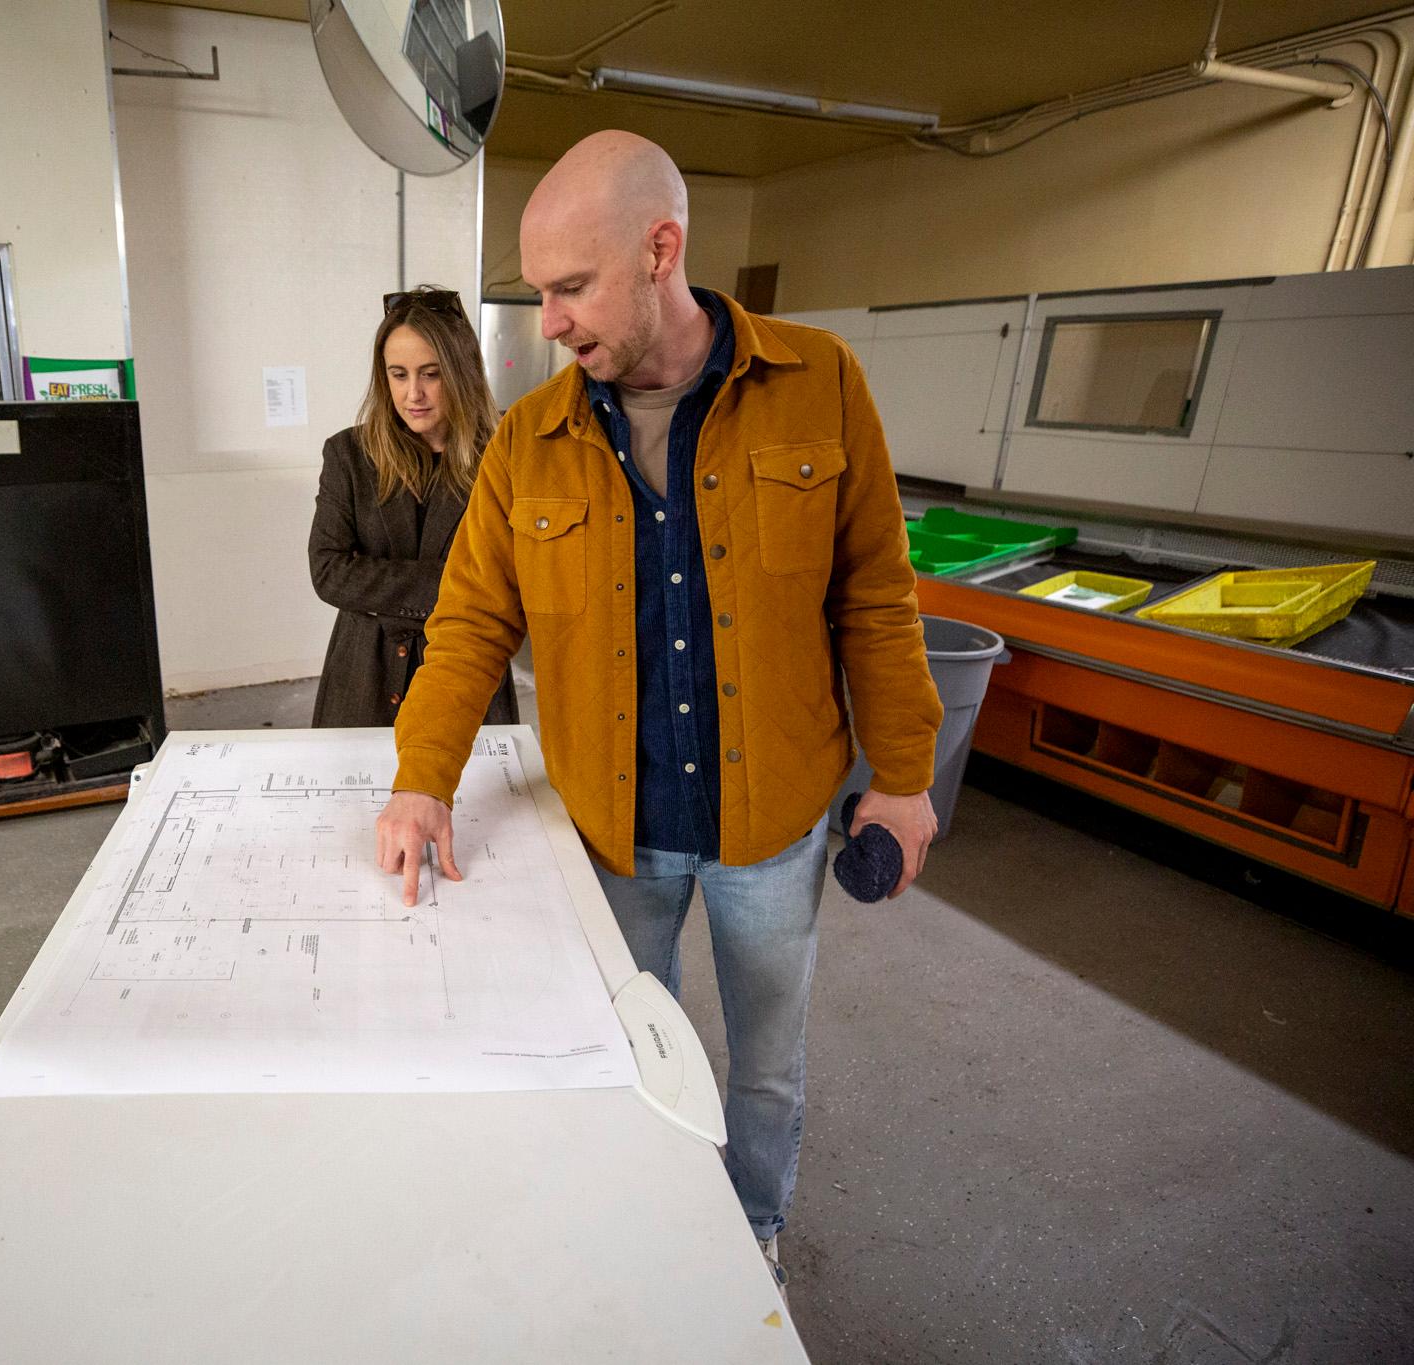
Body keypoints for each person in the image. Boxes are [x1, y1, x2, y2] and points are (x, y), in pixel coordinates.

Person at [372, 132, 943, 1289]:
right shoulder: (526, 443)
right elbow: (470, 623)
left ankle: (752, 1236)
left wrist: (903, 771)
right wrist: (421, 775)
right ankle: (645, 1225)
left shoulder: (819, 382)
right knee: (627, 1047)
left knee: (764, 1067)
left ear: (659, 251)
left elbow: (875, 596)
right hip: (610, 825)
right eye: (537, 293)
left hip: (771, 826)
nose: (549, 322)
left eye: (570, 289)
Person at [308, 287, 519, 729]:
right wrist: (460, 584)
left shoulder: (503, 455)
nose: (413, 394)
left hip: (467, 676)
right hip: (362, 680)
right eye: (398, 374)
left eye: (431, 374)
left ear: (462, 374)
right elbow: (329, 572)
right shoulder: (349, 454)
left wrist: (375, 587)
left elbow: (513, 579)